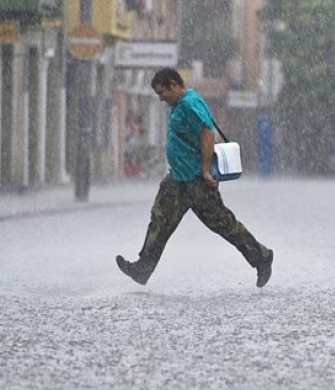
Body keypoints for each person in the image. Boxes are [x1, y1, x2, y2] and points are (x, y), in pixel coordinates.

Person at [116, 68, 274, 287]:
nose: (161, 98)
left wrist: (206, 170)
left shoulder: (190, 103)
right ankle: (143, 268)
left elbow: (207, 135)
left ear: (174, 85)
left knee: (224, 224)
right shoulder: (179, 105)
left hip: (196, 180)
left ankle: (262, 257)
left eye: (163, 92)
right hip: (177, 180)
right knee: (159, 220)